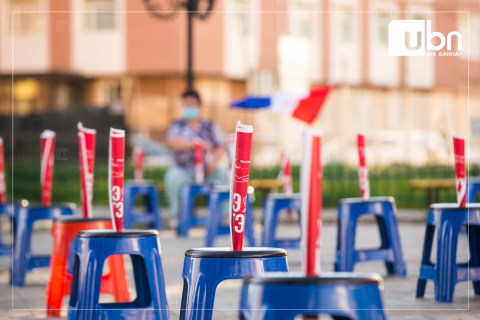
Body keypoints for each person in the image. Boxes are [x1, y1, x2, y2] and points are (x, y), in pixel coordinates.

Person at [164, 89, 226, 227]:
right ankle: (176, 216)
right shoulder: (177, 124)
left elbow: (220, 146)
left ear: (199, 106)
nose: (188, 108)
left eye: (191, 104)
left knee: (222, 174)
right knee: (172, 177)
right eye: (186, 105)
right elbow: (171, 142)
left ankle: (226, 216)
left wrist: (213, 164)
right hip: (184, 170)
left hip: (207, 170)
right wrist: (196, 144)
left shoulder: (210, 125)